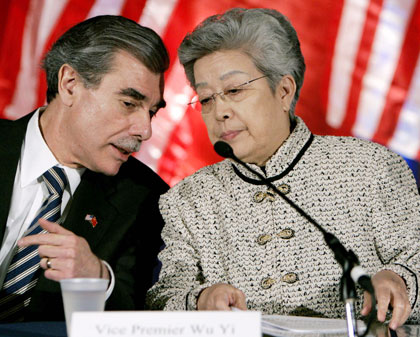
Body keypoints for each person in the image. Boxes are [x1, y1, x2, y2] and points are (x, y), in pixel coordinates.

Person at [146, 8, 420, 330]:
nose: (219, 111)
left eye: (234, 91)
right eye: (206, 99)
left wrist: (401, 281)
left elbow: (415, 258)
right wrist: (200, 300)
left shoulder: (371, 167)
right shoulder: (189, 200)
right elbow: (164, 298)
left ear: (284, 91)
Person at [0, 15, 169, 322]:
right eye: (129, 104)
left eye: (152, 113)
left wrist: (97, 279)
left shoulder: (147, 200)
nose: (145, 130)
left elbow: (146, 316)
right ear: (70, 84)